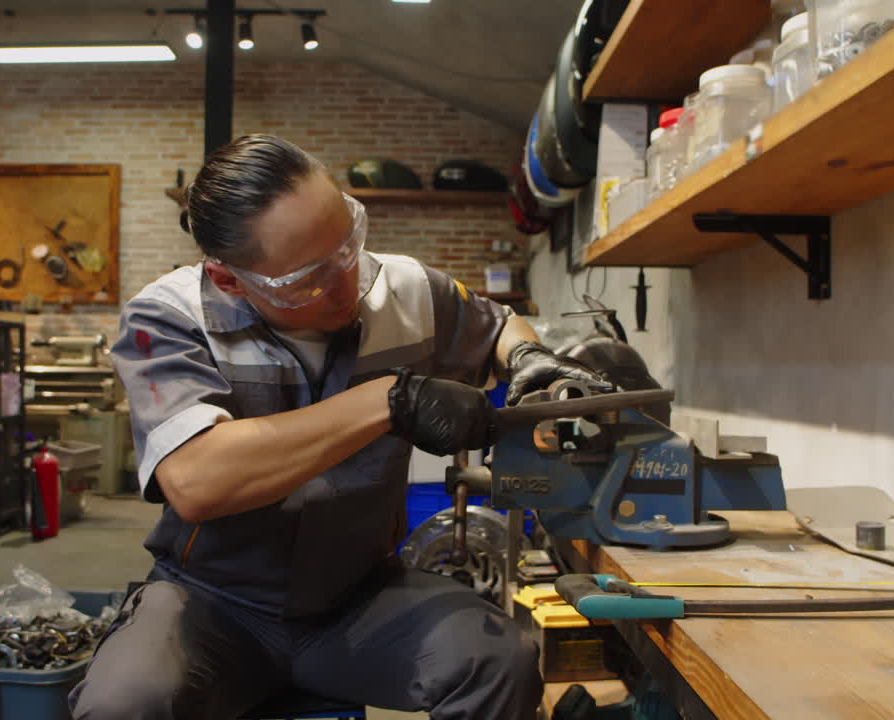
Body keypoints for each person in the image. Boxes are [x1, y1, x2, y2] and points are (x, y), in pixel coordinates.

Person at [69, 134, 610, 720]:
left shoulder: (404, 290)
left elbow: (499, 325)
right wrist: (390, 400)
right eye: (307, 278)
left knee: (499, 661)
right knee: (123, 704)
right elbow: (197, 480)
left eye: (348, 243)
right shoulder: (169, 318)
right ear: (230, 280)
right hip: (212, 604)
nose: (348, 284)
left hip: (359, 597)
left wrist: (527, 358)